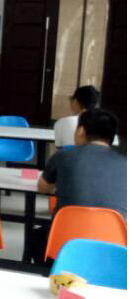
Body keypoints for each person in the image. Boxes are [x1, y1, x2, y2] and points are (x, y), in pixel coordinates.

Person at [36, 108, 126, 262]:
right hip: (115, 248)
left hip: (65, 243)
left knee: (36, 237)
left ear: (81, 131)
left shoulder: (63, 156)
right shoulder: (127, 164)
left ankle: (54, 270)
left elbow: (43, 187)